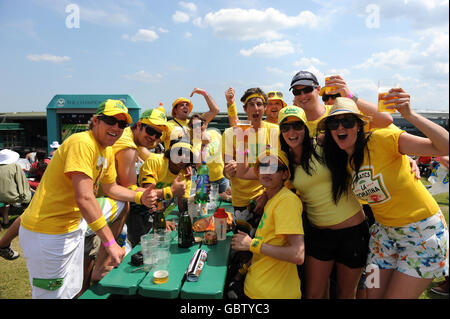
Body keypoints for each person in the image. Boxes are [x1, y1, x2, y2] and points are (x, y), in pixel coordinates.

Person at [18, 99, 157, 299]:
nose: (116, 128)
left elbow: (111, 188)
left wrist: (139, 196)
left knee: (72, 290)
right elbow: (84, 197)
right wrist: (110, 244)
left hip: (72, 225)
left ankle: (98, 268)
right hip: (47, 232)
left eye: (122, 124)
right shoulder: (82, 143)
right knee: (52, 295)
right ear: (96, 121)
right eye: (111, 120)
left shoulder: (107, 150)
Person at [318, 94, 449, 299]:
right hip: (382, 238)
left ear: (360, 126)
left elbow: (445, 146)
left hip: (421, 236)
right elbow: (317, 137)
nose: (340, 127)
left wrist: (410, 115)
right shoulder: (343, 158)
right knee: (372, 295)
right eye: (334, 122)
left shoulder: (383, 138)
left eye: (348, 121)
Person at [236, 105, 370, 299]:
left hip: (352, 231)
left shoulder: (324, 145)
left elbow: (360, 139)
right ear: (281, 132)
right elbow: (244, 173)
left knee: (345, 293)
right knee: (314, 293)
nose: (292, 132)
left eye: (297, 125)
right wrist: (241, 143)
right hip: (318, 232)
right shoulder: (283, 163)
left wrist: (407, 160)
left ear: (306, 128)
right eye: (286, 127)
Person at [231, 149, 305, 299]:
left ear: (285, 174)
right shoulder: (272, 199)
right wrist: (241, 273)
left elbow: (298, 254)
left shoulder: (287, 202)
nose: (267, 171)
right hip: (256, 287)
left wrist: (252, 244)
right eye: (263, 166)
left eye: (274, 168)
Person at [222, 88, 279, 219]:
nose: (256, 108)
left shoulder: (275, 131)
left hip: (269, 196)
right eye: (251, 104)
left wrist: (266, 194)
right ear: (245, 108)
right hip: (241, 200)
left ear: (265, 107)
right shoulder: (230, 134)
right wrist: (228, 170)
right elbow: (225, 172)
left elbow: (279, 170)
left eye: (259, 104)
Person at [290, 71, 392, 138]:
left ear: (318, 89)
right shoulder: (291, 121)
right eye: (297, 92)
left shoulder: (339, 112)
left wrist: (351, 96)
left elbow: (386, 120)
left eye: (307, 90)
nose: (302, 95)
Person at [132, 138, 193, 247]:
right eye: (179, 152)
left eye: (187, 154)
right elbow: (148, 194)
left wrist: (188, 220)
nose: (183, 157)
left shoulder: (185, 173)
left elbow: (182, 206)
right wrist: (160, 221)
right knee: (141, 246)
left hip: (158, 211)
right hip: (137, 207)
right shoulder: (155, 161)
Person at [0, 149, 31, 260]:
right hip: (13, 196)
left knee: (4, 203)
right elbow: (22, 183)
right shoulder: (15, 166)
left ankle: (5, 221)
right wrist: (25, 196)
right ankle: (6, 221)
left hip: (2, 198)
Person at [188, 113, 229, 194]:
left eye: (200, 124)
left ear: (205, 124)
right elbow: (198, 166)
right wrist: (204, 145)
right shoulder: (194, 144)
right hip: (207, 182)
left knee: (226, 202)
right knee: (208, 205)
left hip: (223, 178)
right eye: (194, 126)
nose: (198, 127)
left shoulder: (215, 133)